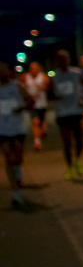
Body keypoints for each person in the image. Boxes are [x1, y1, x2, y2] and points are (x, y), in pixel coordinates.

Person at [50, 50, 83, 180]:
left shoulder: (76, 73)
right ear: (57, 62)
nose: (64, 61)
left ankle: (78, 159)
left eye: (66, 59)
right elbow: (49, 93)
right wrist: (55, 95)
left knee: (80, 140)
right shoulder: (54, 76)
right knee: (66, 142)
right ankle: (69, 167)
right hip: (62, 112)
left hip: (75, 110)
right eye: (61, 59)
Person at [0, 62, 32, 208]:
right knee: (8, 157)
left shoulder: (16, 86)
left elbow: (30, 101)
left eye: (3, 69)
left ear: (8, 71)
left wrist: (21, 108)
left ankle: (18, 172)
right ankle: (16, 192)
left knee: (17, 158)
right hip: (2, 129)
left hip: (18, 127)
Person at [23, 61, 48, 151]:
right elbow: (22, 87)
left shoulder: (43, 76)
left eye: (35, 68)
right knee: (35, 122)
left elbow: (48, 86)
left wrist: (42, 87)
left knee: (41, 123)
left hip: (42, 103)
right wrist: (27, 96)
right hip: (32, 104)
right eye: (32, 68)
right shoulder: (26, 77)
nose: (33, 70)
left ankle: (42, 130)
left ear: (39, 69)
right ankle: (37, 142)